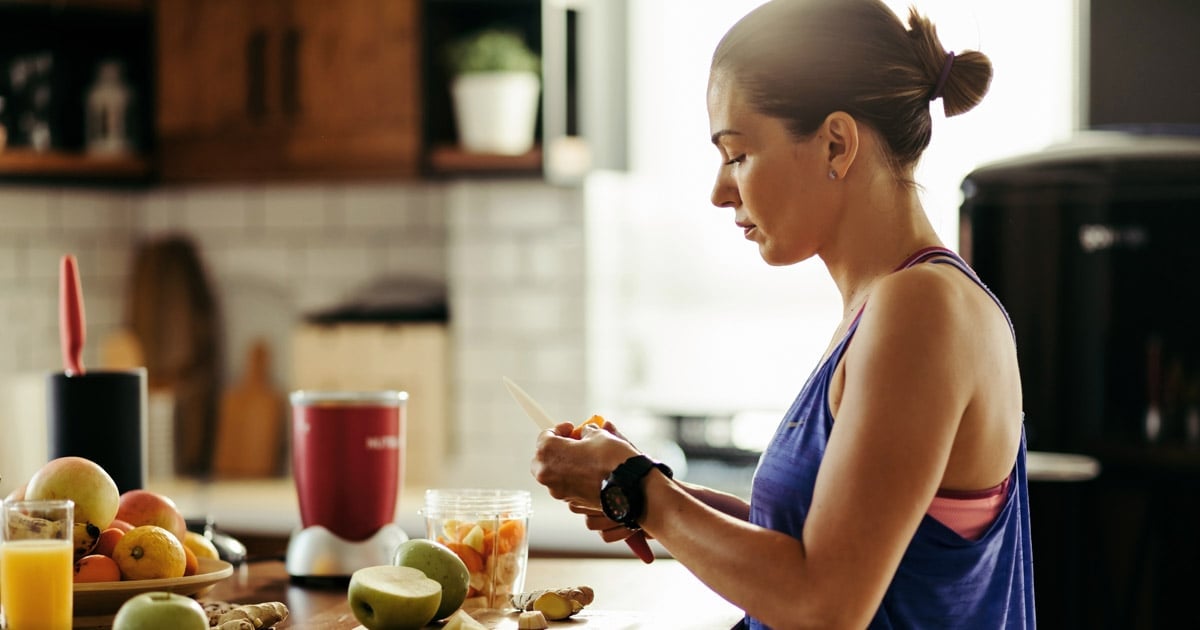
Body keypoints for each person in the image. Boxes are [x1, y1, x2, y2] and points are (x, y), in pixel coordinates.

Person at [531, 0, 1034, 628]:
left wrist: (640, 491)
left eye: (737, 153)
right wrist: (647, 488)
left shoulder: (922, 309)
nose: (720, 190)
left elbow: (825, 605)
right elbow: (822, 548)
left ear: (836, 142)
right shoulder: (886, 306)